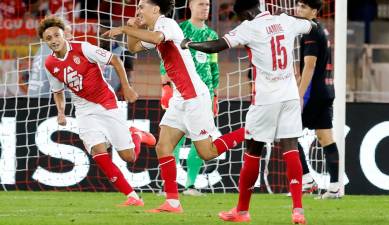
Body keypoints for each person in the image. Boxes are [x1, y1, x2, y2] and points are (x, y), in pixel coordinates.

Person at [103, 0, 245, 213]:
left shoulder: (167, 24)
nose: (139, 10)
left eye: (142, 6)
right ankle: (172, 202)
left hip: (195, 96)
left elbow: (156, 38)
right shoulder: (155, 28)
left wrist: (125, 28)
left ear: (156, 9)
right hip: (180, 98)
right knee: (163, 147)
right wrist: (133, 29)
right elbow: (133, 48)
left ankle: (250, 130)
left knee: (207, 152)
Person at [181, 0, 317, 223]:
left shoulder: (248, 28)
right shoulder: (285, 20)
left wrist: (188, 44)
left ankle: (242, 211)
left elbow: (215, 45)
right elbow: (311, 25)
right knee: (291, 148)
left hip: (266, 99)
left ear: (244, 13)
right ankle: (298, 210)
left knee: (253, 151)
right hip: (290, 95)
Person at [38, 15, 155, 207]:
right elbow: (57, 91)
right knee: (98, 153)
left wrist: (126, 87)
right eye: (49, 38)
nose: (53, 41)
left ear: (64, 35)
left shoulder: (83, 47)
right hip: (83, 108)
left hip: (106, 102)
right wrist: (61, 112)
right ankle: (132, 197)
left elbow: (115, 60)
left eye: (56, 35)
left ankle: (137, 134)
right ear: (45, 41)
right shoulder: (50, 64)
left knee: (129, 157)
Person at [159, 0, 220, 197]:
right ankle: (168, 185)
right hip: (181, 92)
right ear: (191, 6)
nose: (205, 8)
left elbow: (213, 67)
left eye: (207, 5)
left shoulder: (212, 35)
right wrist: (165, 86)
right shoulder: (180, 29)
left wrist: (215, 95)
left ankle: (190, 185)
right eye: (201, 4)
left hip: (205, 94)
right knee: (172, 140)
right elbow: (165, 59)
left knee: (200, 141)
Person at [296, 0, 340, 199]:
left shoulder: (311, 31)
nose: (298, 9)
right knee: (325, 139)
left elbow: (310, 65)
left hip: (313, 94)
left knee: (287, 133)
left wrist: (299, 94)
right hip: (325, 91)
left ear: (313, 12)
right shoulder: (319, 29)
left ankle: (306, 180)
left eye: (303, 7)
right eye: (298, 5)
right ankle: (334, 187)